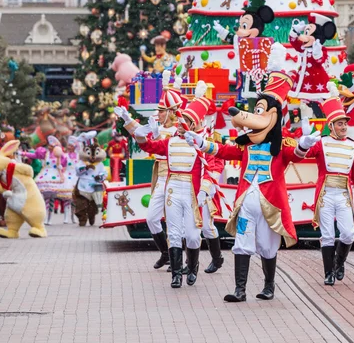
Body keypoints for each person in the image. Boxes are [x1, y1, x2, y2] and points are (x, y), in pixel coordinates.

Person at [186, 71, 320, 302]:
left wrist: (304, 145)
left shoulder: (281, 143)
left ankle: (269, 286)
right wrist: (201, 142)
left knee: (268, 247)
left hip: (271, 205)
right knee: (242, 243)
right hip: (246, 202)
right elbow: (224, 151)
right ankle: (240, 290)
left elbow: (295, 155)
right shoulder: (246, 145)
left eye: (261, 111)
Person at [116, 81, 210, 289]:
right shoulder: (170, 141)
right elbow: (150, 146)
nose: (180, 124)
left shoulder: (202, 143)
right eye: (181, 120)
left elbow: (213, 163)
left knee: (194, 236)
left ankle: (192, 267)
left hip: (193, 193)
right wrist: (140, 132)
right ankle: (176, 274)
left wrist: (206, 188)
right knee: (174, 232)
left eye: (185, 121)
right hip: (172, 189)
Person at [118, 72, 183, 270]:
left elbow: (157, 143)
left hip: (176, 176)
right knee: (152, 218)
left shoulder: (180, 128)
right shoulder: (159, 123)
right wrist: (127, 120)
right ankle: (165, 253)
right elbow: (141, 133)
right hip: (161, 176)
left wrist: (153, 136)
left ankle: (178, 260)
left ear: (171, 111)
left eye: (162, 110)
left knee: (174, 221)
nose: (158, 113)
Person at [304, 83, 354, 285]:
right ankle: (328, 273)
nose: (344, 126)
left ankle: (339, 261)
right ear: (331, 126)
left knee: (348, 233)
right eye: (340, 124)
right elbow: (303, 155)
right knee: (327, 235)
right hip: (326, 194)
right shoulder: (322, 143)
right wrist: (304, 140)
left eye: (345, 123)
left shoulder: (353, 145)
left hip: (344, 194)